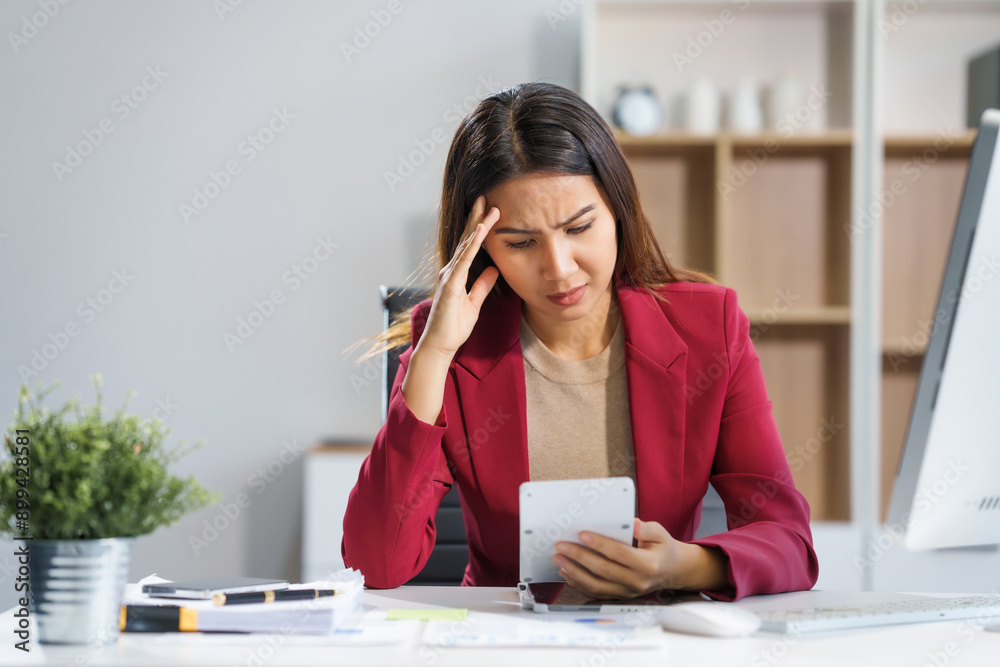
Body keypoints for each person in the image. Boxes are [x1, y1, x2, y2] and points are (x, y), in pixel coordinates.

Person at [342, 82, 818, 601]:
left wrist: (684, 565)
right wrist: (433, 355)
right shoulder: (452, 346)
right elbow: (374, 564)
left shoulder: (709, 326)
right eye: (521, 243)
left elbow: (788, 541)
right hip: (507, 643)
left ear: (617, 209)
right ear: (479, 248)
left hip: (657, 641)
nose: (559, 270)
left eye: (579, 227)